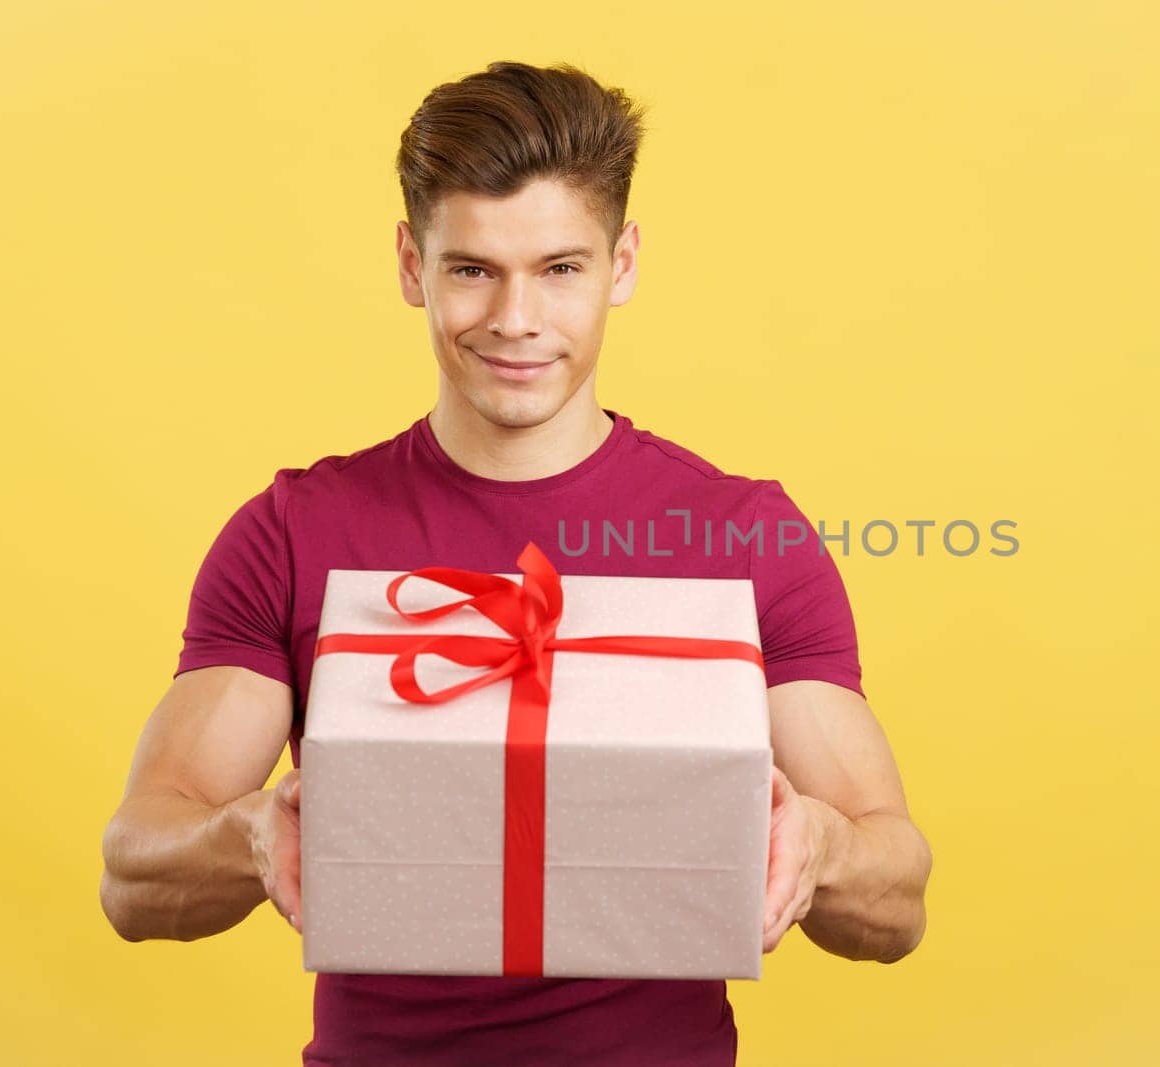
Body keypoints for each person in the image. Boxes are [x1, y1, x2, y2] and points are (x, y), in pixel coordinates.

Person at [97, 60, 931, 1065]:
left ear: (621, 262)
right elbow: (133, 878)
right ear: (412, 264)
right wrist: (249, 833)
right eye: (472, 269)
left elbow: (896, 898)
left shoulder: (742, 535)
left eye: (560, 268)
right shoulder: (296, 532)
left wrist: (822, 849)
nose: (516, 319)